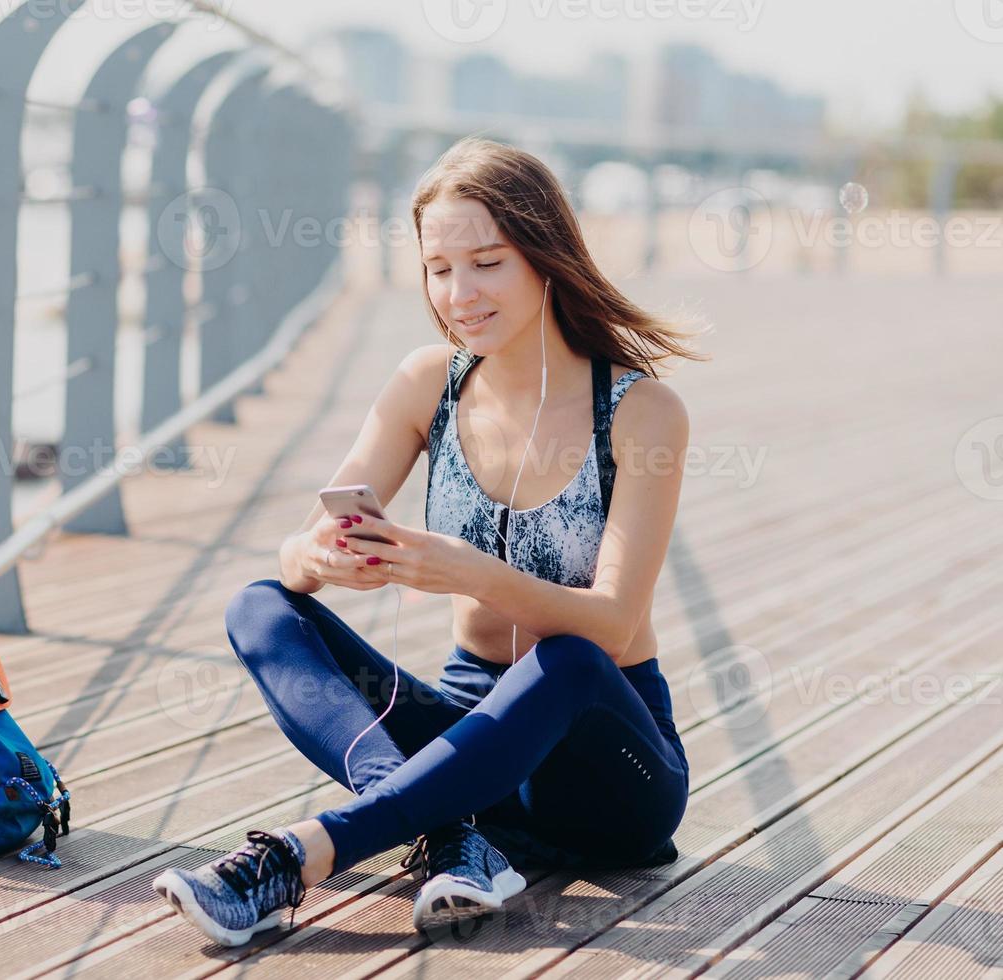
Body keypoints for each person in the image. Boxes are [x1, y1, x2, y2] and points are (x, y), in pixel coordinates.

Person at [152, 136, 709, 948]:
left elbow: (615, 625)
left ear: (545, 257)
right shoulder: (427, 384)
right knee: (262, 607)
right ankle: (449, 828)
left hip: (606, 777)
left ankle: (303, 855)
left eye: (486, 262)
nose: (460, 293)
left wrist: (469, 573)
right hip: (467, 739)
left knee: (570, 658)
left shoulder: (640, 412)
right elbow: (297, 554)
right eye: (438, 269)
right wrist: (323, 558)